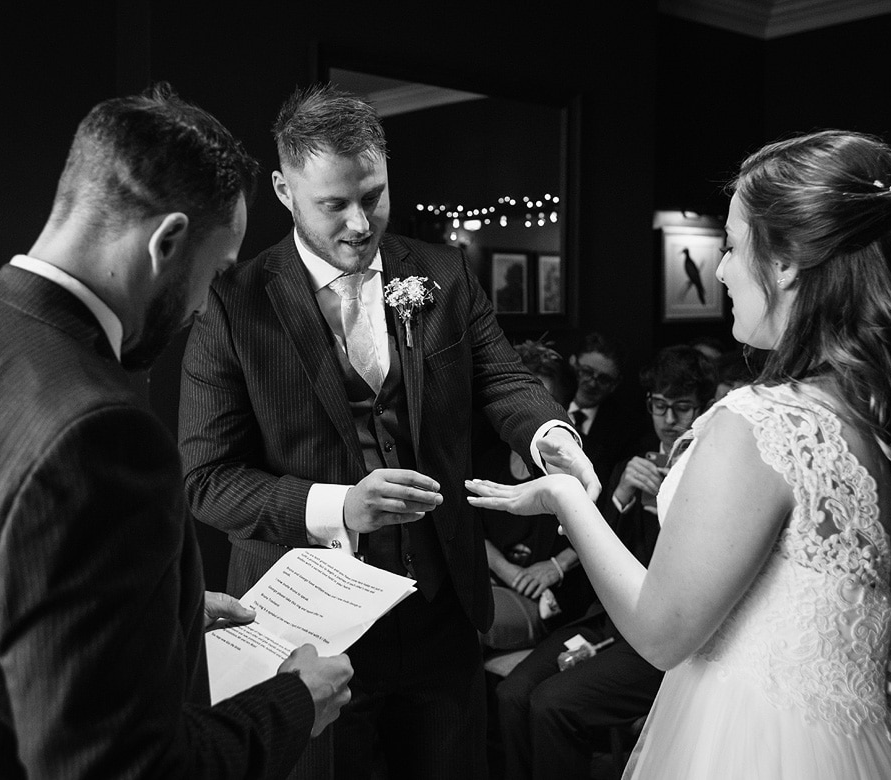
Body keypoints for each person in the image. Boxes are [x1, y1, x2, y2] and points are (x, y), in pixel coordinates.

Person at [468, 129, 891, 778]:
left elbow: (661, 633)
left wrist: (567, 499)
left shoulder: (764, 426)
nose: (718, 270)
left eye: (734, 246)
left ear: (790, 261)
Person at [0, 83, 353, 779]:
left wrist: (155, 609)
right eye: (215, 273)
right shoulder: (100, 435)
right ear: (168, 242)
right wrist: (295, 702)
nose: (200, 310)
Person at [177, 82, 598, 780]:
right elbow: (208, 480)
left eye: (372, 195)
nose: (359, 223)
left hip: (441, 615)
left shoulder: (440, 273)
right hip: (310, 631)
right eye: (333, 204)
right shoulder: (233, 304)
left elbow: (502, 379)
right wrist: (338, 506)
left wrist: (549, 434)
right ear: (283, 189)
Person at [494, 343, 716, 780]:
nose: (669, 420)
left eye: (682, 407)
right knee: (512, 695)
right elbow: (591, 546)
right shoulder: (629, 467)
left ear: (702, 409)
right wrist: (620, 496)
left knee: (553, 704)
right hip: (606, 618)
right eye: (660, 405)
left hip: (660, 635)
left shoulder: (709, 470)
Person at [476, 338, 592, 651]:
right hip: (493, 583)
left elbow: (601, 530)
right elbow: (470, 525)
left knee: (464, 623)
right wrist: (506, 570)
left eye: (539, 402)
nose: (526, 415)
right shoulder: (489, 458)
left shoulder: (577, 465)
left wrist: (555, 565)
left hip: (545, 599)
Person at [565, 331, 643, 487]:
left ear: (615, 384)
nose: (592, 383)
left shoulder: (626, 429)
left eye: (604, 379)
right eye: (587, 372)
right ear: (573, 363)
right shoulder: (550, 400)